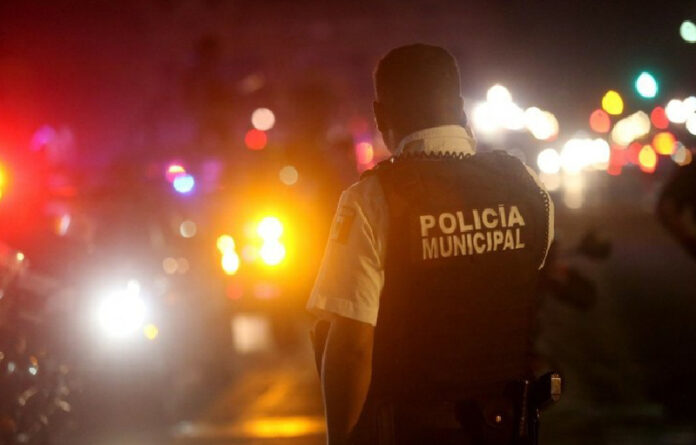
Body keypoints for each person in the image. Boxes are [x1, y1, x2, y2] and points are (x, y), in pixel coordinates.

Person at [308, 44, 555, 445]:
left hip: (412, 428)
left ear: (380, 115)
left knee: (327, 327)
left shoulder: (372, 198)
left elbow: (351, 347)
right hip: (507, 425)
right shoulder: (527, 182)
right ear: (459, 108)